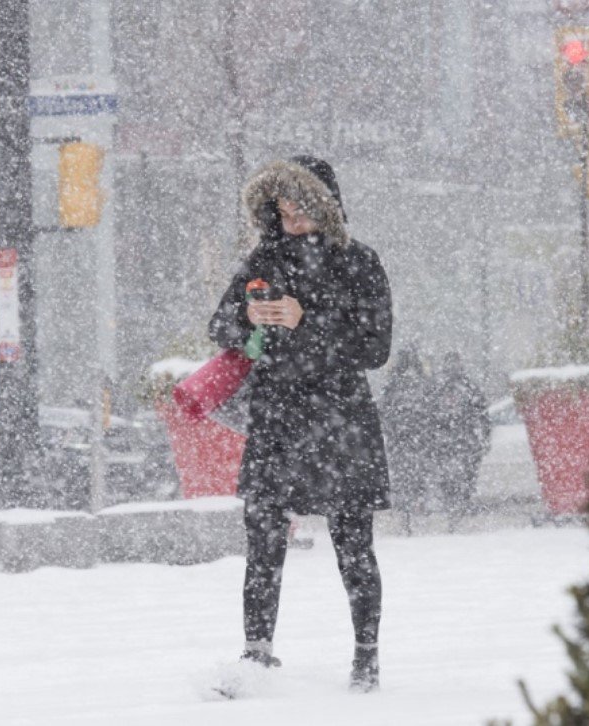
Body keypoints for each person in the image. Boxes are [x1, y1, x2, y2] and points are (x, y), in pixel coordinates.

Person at [208, 155, 393, 693]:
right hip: (277, 419)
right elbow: (219, 325)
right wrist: (247, 317)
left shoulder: (359, 261)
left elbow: (375, 347)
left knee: (353, 545)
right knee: (262, 540)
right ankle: (256, 653)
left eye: (302, 210)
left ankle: (366, 658)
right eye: (283, 211)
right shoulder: (262, 259)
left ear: (326, 208)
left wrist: (305, 320)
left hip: (341, 420)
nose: (291, 221)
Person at [380, 345, 440, 529]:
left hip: (401, 439)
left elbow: (384, 411)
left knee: (403, 476)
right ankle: (417, 507)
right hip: (418, 439)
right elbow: (433, 411)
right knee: (418, 475)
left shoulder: (393, 385)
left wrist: (392, 430)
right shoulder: (423, 384)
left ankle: (405, 512)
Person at [427, 352, 491, 517]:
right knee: (457, 473)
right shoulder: (459, 386)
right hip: (455, 438)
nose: (453, 366)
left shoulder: (445, 386)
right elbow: (482, 413)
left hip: (457, 438)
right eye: (451, 363)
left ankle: (458, 501)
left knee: (462, 473)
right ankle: (456, 501)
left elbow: (482, 413)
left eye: (454, 363)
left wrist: (485, 435)